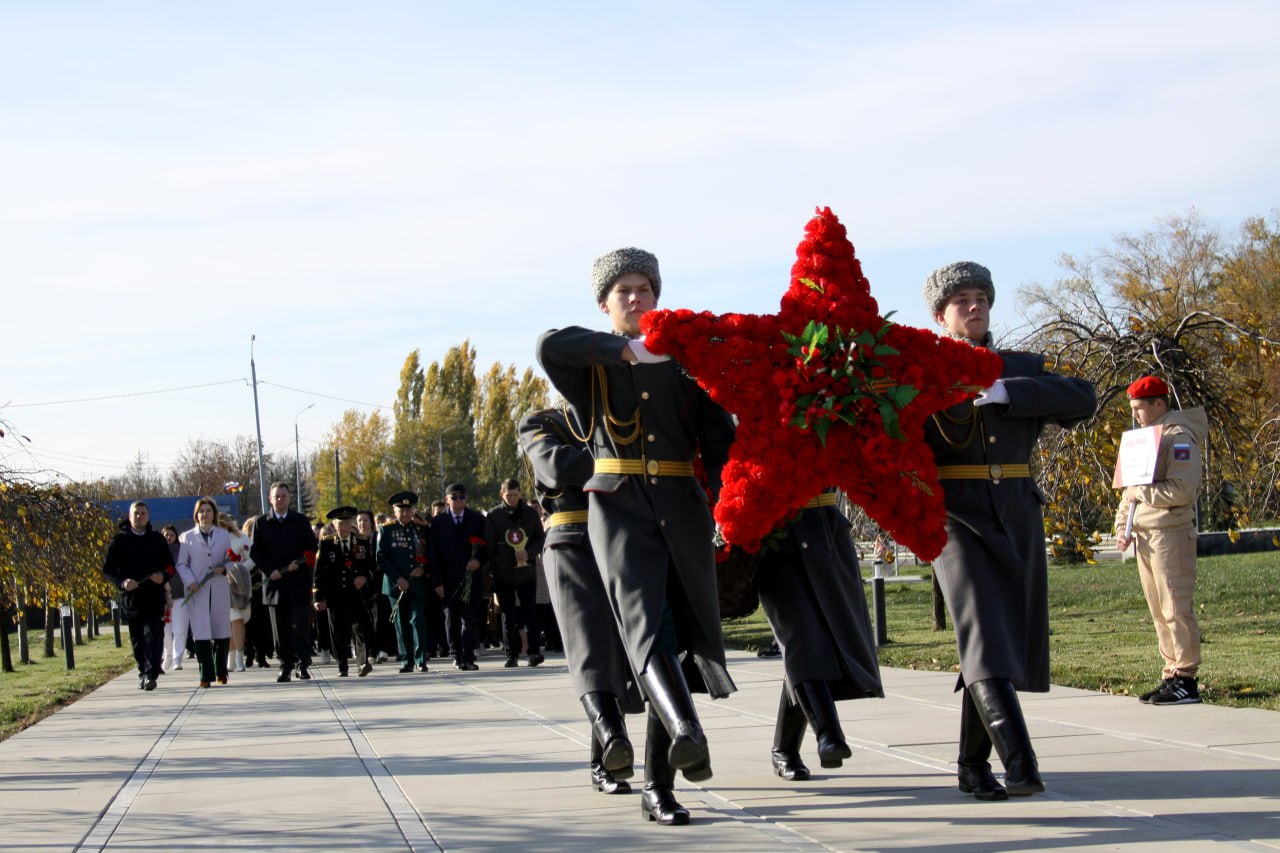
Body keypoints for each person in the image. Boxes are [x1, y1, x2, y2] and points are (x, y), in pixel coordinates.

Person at [537, 247, 736, 826]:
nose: (635, 297)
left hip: (683, 508)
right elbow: (548, 345)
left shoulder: (686, 363)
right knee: (647, 630)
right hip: (619, 507)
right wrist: (625, 350)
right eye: (622, 291)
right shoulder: (593, 365)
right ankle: (686, 727)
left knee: (677, 639)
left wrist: (730, 505)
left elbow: (718, 441)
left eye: (644, 288)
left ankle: (659, 788)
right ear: (604, 305)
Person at [922, 261, 1096, 801]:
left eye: (981, 297)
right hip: (954, 516)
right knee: (984, 630)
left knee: (996, 640)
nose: (974, 306)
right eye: (961, 300)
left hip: (1017, 512)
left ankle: (972, 765)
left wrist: (1007, 392)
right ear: (940, 315)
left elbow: (1084, 398)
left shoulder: (1020, 367)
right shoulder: (920, 371)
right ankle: (1020, 762)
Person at [519, 407, 640, 796]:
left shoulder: (614, 417)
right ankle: (612, 739)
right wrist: (623, 460)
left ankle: (604, 760)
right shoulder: (542, 422)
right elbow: (556, 466)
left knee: (618, 653)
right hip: (571, 540)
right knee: (589, 648)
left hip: (617, 541)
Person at [756, 489, 884, 781]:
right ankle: (829, 734)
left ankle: (784, 749)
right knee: (800, 637)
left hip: (826, 531)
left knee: (816, 641)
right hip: (774, 535)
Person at [1113, 375, 1208, 706]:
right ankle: (1171, 673)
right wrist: (1122, 526)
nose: (1135, 415)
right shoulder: (1144, 439)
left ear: (1158, 403)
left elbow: (1183, 490)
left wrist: (1142, 492)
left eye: (1140, 408)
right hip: (1146, 535)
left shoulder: (1179, 437)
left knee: (1175, 607)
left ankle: (1186, 679)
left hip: (1171, 533)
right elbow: (1129, 490)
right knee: (1158, 610)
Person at [101, 501, 173, 691]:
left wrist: (162, 576)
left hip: (153, 598)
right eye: (136, 513)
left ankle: (151, 674)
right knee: (138, 640)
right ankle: (143, 671)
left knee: (153, 636)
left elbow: (170, 566)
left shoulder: (157, 539)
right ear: (130, 516)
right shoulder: (120, 540)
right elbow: (108, 569)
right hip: (132, 600)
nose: (139, 516)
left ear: (148, 516)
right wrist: (123, 582)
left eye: (142, 513)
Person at [250, 482, 318, 683]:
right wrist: (269, 570)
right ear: (270, 499)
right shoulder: (261, 523)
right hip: (274, 585)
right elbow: (256, 552)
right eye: (276, 496)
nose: (280, 499)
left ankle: (302, 664)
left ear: (289, 498)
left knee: (300, 628)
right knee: (279, 630)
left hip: (298, 583)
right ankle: (285, 666)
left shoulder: (300, 521)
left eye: (283, 496)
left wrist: (299, 562)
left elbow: (312, 547)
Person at [485, 478, 546, 668]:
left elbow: (540, 538)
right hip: (503, 574)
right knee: (508, 616)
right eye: (508, 495)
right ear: (501, 495)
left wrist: (528, 553)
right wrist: (496, 566)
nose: (512, 498)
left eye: (515, 495)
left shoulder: (530, 513)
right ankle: (511, 654)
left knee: (530, 613)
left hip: (526, 572)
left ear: (520, 494)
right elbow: (489, 546)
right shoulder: (494, 515)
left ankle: (534, 652)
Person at [177, 497, 235, 688]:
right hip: (198, 589)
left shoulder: (223, 535)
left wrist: (224, 569)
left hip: (218, 587)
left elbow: (231, 559)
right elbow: (182, 564)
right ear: (196, 515)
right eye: (201, 511)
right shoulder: (187, 537)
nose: (205, 514)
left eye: (208, 510)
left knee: (221, 630)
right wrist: (190, 581)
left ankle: (221, 671)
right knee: (201, 632)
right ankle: (205, 675)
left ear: (214, 514)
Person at [429, 484, 487, 671]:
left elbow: (487, 547)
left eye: (462, 496)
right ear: (447, 500)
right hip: (447, 580)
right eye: (454, 497)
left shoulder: (477, 519)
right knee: (451, 619)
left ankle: (469, 656)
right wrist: (437, 581)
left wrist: (478, 560)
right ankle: (456, 654)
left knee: (469, 620)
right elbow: (433, 554)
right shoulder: (438, 522)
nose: (458, 500)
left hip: (470, 578)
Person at [314, 506, 377, 677]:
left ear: (352, 524)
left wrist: (364, 577)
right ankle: (342, 665)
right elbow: (319, 573)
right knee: (338, 631)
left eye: (347, 523)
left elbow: (372, 566)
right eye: (340, 524)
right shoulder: (327, 543)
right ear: (334, 525)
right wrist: (318, 597)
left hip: (357, 594)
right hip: (335, 594)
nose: (344, 527)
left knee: (361, 628)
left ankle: (363, 662)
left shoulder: (361, 541)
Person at [377, 491, 431, 673]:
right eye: (401, 510)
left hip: (417, 583)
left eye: (408, 509)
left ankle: (421, 659)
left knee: (418, 619)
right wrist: (398, 578)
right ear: (394, 511)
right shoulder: (387, 529)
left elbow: (430, 553)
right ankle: (407, 659)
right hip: (396, 585)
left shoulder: (421, 529)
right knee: (401, 623)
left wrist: (423, 569)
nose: (405, 513)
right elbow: (381, 557)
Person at [226, 515, 254, 673]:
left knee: (237, 619)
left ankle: (239, 657)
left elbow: (252, 558)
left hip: (238, 585)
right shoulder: (212, 539)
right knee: (226, 622)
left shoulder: (241, 538)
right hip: (219, 585)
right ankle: (230, 659)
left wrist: (239, 569)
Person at [160, 524, 187, 672]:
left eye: (171, 535)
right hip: (163, 595)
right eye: (166, 535)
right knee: (165, 629)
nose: (169, 538)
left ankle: (177, 658)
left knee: (179, 628)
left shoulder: (181, 550)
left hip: (180, 594)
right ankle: (168, 655)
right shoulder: (158, 551)